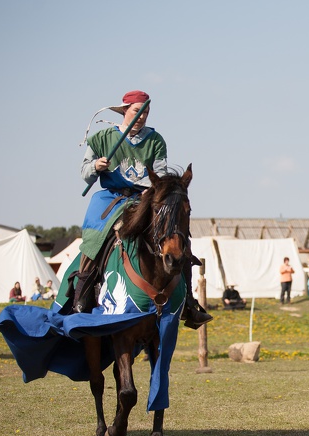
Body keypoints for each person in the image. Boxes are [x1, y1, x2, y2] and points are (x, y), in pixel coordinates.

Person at [75, 89, 211, 329]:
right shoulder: (102, 138)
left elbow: (158, 171)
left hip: (145, 196)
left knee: (176, 233)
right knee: (95, 236)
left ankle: (188, 301)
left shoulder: (155, 140)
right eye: (137, 111)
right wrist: (97, 165)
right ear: (125, 110)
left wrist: (154, 191)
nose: (141, 117)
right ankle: (82, 295)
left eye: (146, 112)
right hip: (111, 197)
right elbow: (85, 173)